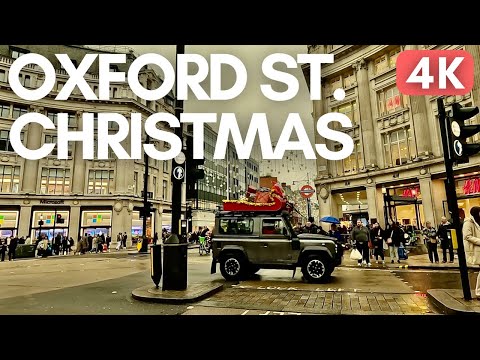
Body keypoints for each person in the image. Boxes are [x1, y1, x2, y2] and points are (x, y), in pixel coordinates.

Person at [463, 206, 480, 299]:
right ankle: (478, 292)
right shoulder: (468, 223)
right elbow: (467, 236)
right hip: (475, 249)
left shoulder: (478, 222)